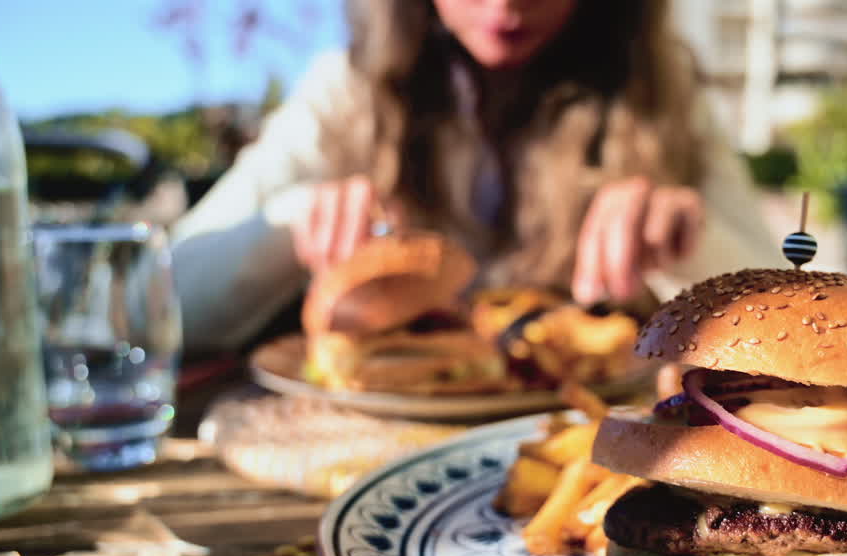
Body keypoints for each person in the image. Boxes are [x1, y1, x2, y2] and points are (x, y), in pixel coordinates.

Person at [170, 0, 779, 350]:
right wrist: (295, 219)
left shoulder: (661, 88)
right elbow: (166, 298)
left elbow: (795, 314)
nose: (505, 4)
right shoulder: (346, 89)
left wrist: (687, 244)